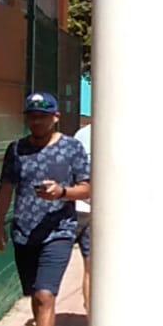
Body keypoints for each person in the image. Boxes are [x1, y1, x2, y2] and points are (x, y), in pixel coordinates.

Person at [0, 92, 92, 326]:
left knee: (45, 294)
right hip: (24, 234)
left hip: (58, 231)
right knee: (35, 297)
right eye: (32, 116)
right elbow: (6, 189)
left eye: (43, 117)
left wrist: (62, 193)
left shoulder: (71, 148)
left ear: (55, 118)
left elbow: (87, 188)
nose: (36, 122)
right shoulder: (16, 150)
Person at [73, 117, 93, 314]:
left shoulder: (81, 135)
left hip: (79, 206)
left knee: (91, 267)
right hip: (85, 209)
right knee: (92, 267)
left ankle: (91, 317)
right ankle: (91, 319)